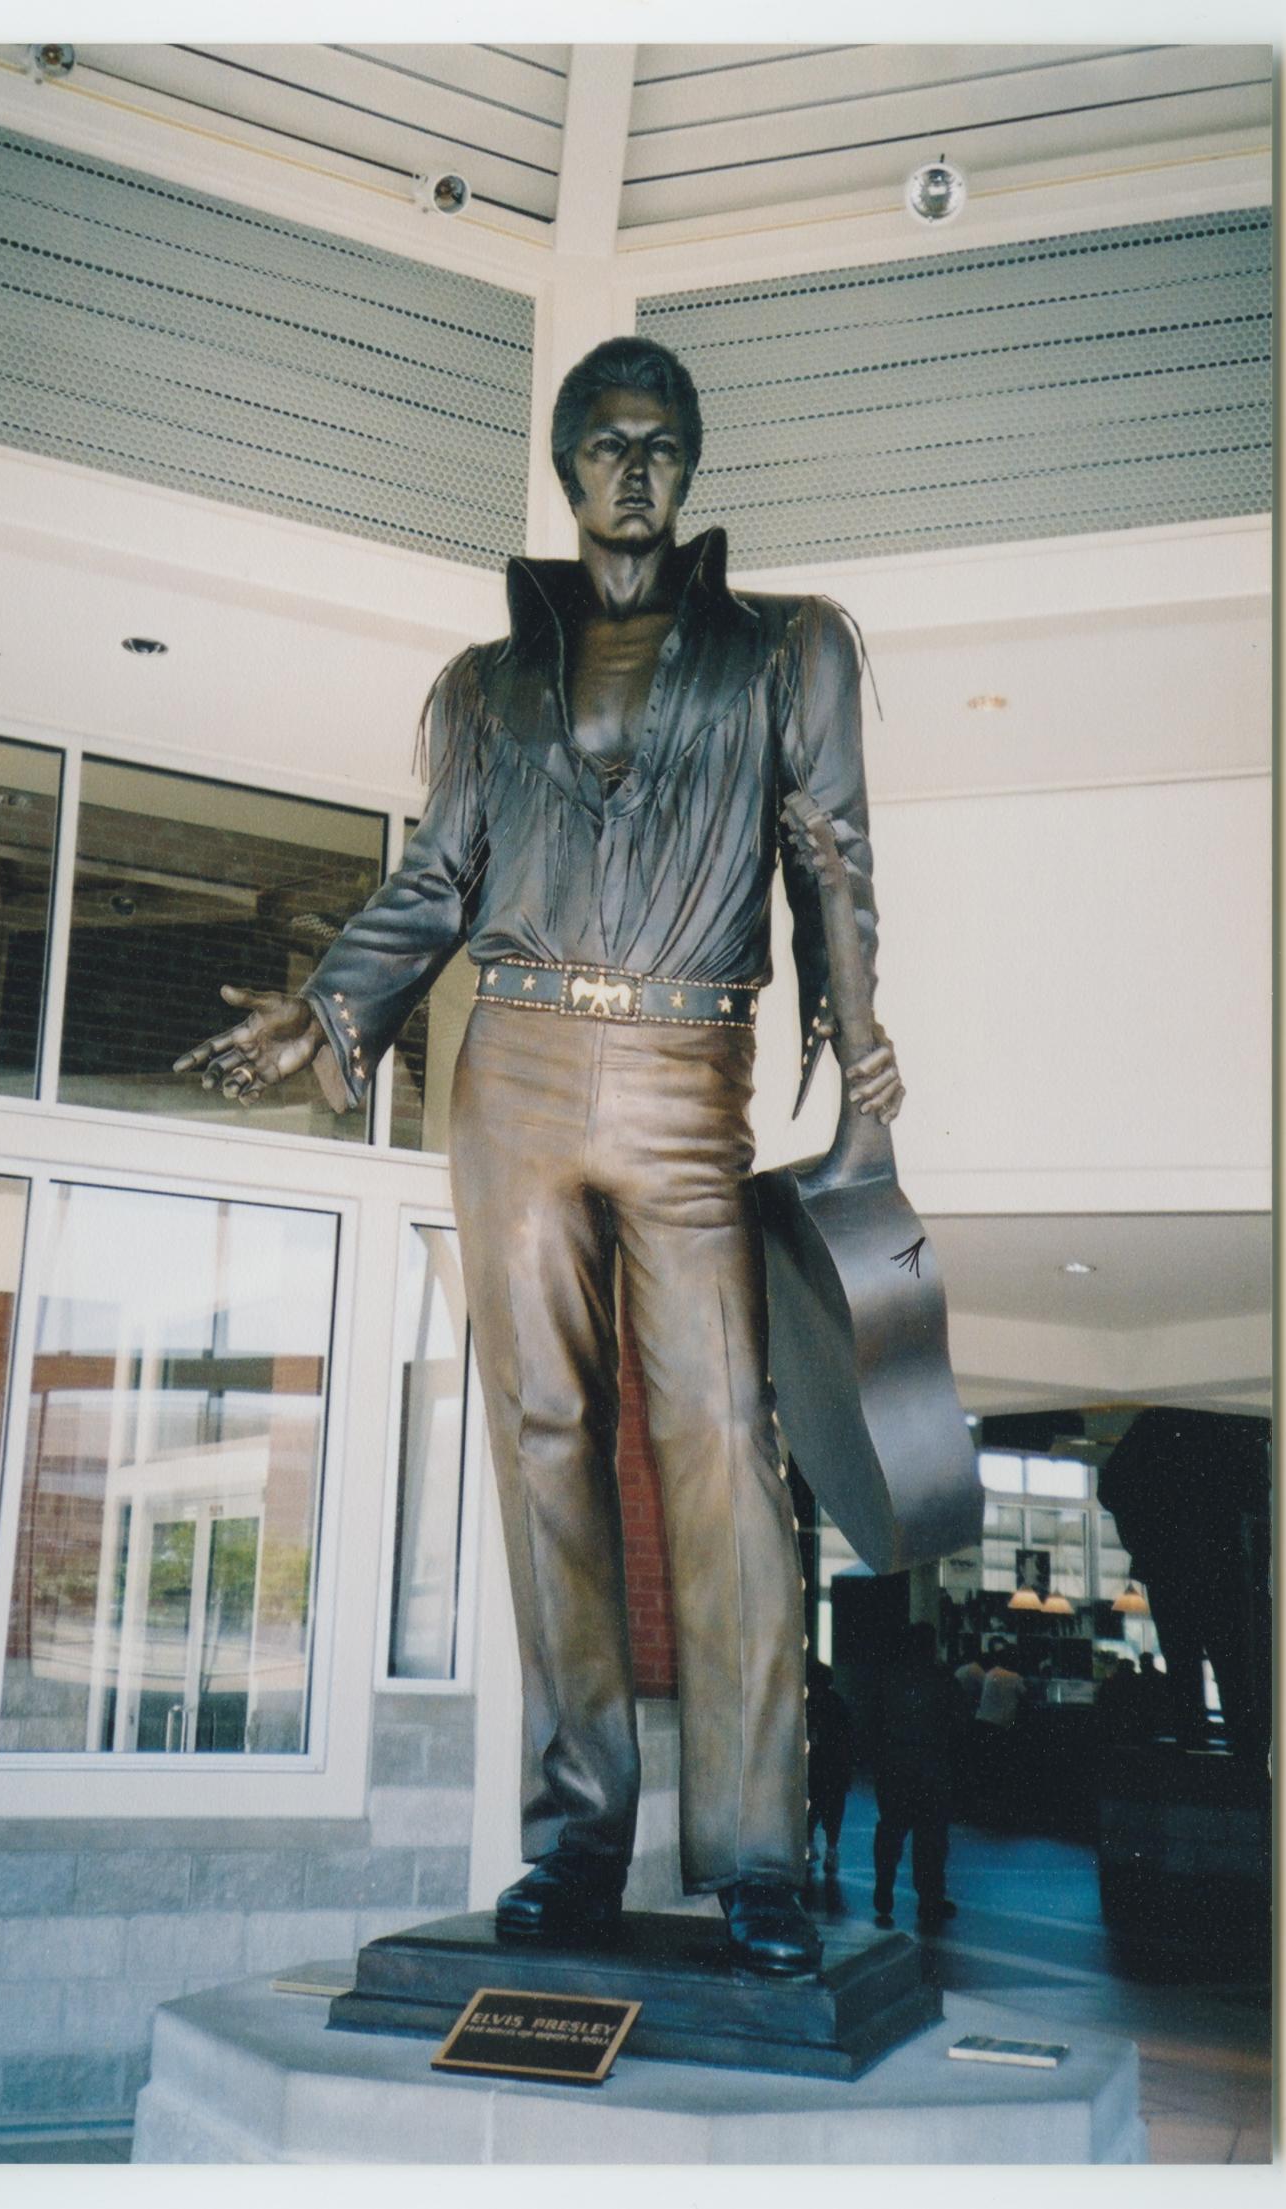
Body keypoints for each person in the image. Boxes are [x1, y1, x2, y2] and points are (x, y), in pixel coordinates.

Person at [174, 336, 904, 1977]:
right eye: (602, 442)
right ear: (564, 467)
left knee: (725, 1439)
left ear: (693, 463)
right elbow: (436, 876)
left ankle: (757, 1853)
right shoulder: (490, 679)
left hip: (681, 1066)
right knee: (544, 1434)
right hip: (510, 1064)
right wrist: (330, 1010)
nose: (631, 467)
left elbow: (832, 853)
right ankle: (577, 1839)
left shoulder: (789, 647)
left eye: (659, 441)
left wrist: (860, 1058)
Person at [871, 1621, 967, 1934]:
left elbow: (873, 1720)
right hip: (931, 1766)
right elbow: (960, 1722)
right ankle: (929, 1898)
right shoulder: (942, 1678)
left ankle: (883, 1888)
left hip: (894, 1763)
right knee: (931, 1836)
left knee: (890, 1829)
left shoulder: (889, 1677)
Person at [806, 1660, 855, 1880]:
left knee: (813, 1807)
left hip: (815, 1764)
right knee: (833, 1810)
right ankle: (831, 1850)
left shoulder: (807, 1705)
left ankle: (810, 1844)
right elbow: (846, 1738)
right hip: (833, 1766)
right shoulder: (837, 1704)